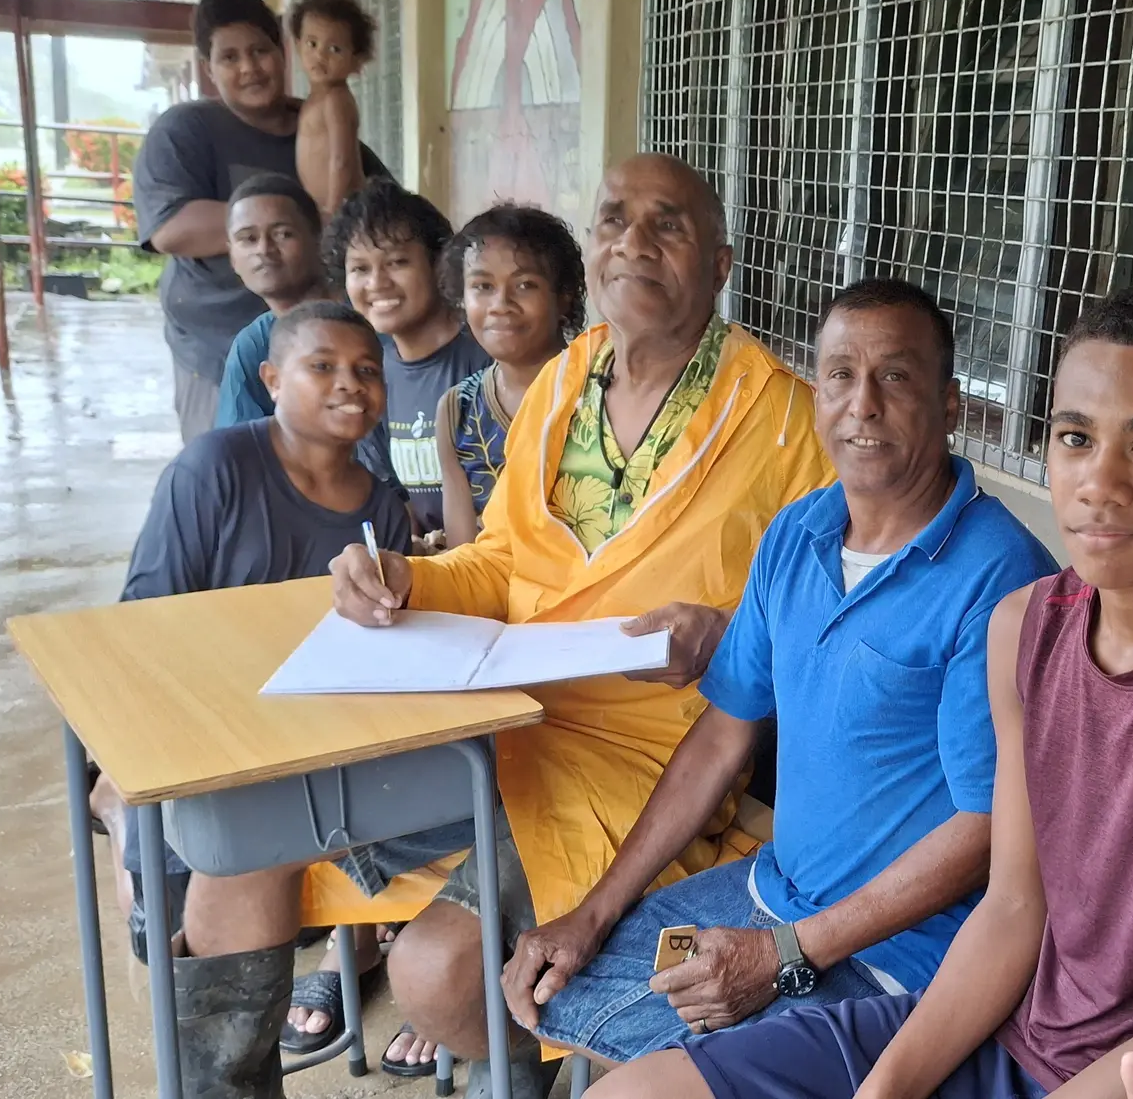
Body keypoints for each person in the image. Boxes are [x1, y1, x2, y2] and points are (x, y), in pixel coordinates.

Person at [591, 280, 1133, 1099]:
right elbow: (1014, 910)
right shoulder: (1028, 625)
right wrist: (886, 1089)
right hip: (1005, 1031)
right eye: (1076, 437)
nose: (1100, 482)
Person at [327, 153, 834, 1096]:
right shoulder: (559, 384)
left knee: (438, 973)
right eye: (613, 221)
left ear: (721, 265)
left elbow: (826, 625)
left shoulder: (787, 422)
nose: (633, 241)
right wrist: (407, 576)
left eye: (668, 225)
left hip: (647, 754)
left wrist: (728, 636)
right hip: (504, 711)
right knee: (258, 835)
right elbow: (503, 562)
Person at [501, 278, 1056, 1063]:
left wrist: (786, 955)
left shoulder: (999, 575)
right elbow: (722, 732)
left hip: (900, 953)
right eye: (839, 375)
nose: (862, 403)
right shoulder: (797, 533)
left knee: (667, 1076)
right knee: (565, 988)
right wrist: (593, 910)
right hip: (771, 891)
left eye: (895, 376)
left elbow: (989, 827)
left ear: (951, 402)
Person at [90, 299, 409, 975]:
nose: (350, 383)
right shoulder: (211, 468)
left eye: (366, 369)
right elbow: (143, 624)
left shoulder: (383, 507)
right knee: (173, 936)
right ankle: (119, 802)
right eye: (321, 366)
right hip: (196, 726)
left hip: (313, 733)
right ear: (269, 379)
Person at [134, 0, 388, 443]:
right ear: (208, 68)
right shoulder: (186, 131)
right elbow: (171, 228)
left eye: (260, 51)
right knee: (229, 478)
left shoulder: (323, 121)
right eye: (229, 58)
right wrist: (308, 223)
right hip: (215, 351)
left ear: (283, 51)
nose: (249, 67)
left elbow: (383, 218)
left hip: (322, 353)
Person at [331, 178, 493, 544]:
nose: (377, 282)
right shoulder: (369, 371)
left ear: (439, 265)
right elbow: (391, 494)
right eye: (359, 268)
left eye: (397, 262)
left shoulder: (486, 355)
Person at [434, 205, 584, 550]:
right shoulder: (458, 410)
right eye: (483, 286)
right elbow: (463, 554)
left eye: (525, 285)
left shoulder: (598, 388)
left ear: (564, 297)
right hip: (489, 595)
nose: (501, 303)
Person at [212, 174, 333, 427]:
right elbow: (236, 448)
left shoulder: (371, 316)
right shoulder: (253, 344)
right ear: (232, 257)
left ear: (319, 240)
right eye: (248, 239)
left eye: (282, 234)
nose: (264, 249)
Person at [287, 0, 375, 217]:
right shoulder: (312, 100)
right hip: (326, 210)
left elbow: (341, 160)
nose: (320, 56)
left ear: (357, 61)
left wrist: (335, 211)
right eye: (312, 44)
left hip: (346, 209)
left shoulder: (336, 100)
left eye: (335, 49)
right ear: (297, 45)